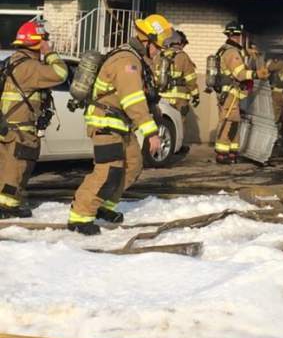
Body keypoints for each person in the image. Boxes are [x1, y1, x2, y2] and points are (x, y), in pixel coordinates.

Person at [67, 14, 169, 235]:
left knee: (132, 165)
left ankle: (104, 206)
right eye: (157, 47)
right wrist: (151, 132)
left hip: (120, 124)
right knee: (108, 170)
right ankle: (80, 216)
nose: (158, 51)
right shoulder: (127, 62)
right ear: (147, 41)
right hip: (105, 122)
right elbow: (132, 99)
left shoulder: (136, 60)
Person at [0, 20, 68, 218]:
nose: (47, 42)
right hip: (20, 131)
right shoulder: (30, 67)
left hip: (6, 127)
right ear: (38, 42)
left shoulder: (12, 61)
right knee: (17, 168)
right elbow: (61, 73)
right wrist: (50, 53)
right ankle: (7, 207)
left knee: (5, 167)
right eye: (45, 39)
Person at [213, 21, 268, 164]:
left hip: (230, 94)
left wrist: (250, 52)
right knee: (228, 123)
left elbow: (239, 56)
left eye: (239, 35)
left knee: (234, 123)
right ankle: (222, 154)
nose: (239, 38)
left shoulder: (226, 49)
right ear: (231, 35)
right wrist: (257, 74)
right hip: (230, 95)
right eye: (237, 35)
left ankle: (232, 152)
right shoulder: (232, 52)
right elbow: (240, 74)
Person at [153, 29, 199, 137]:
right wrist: (196, 95)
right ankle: (178, 146)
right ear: (180, 43)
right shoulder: (183, 56)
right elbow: (190, 79)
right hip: (179, 99)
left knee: (162, 121)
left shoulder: (159, 56)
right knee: (179, 122)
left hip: (162, 96)